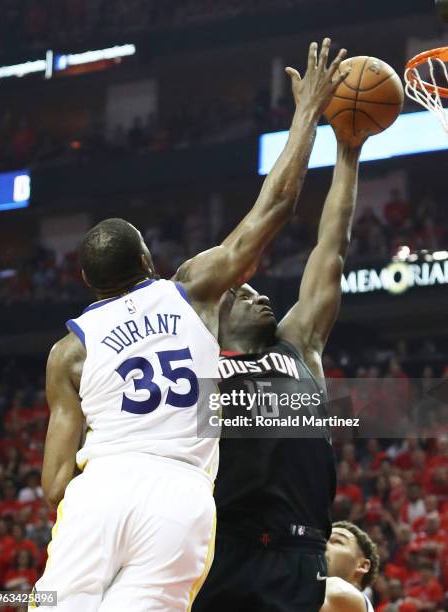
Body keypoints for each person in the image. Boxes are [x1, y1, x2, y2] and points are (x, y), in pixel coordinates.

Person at [30, 38, 349, 612]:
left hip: (103, 485)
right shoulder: (192, 291)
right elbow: (273, 208)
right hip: (182, 495)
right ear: (149, 264)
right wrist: (306, 113)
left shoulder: (67, 354)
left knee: (47, 604)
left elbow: (55, 486)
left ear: (87, 284)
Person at [194, 84, 368, 612]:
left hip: (298, 550)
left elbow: (331, 249)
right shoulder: (198, 363)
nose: (259, 294)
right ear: (216, 317)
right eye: (242, 293)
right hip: (220, 545)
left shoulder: (298, 345)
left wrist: (348, 152)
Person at [322, 521, 380, 612]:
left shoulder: (341, 592)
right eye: (323, 540)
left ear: (362, 565)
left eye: (337, 541)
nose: (321, 544)